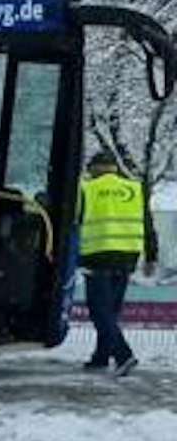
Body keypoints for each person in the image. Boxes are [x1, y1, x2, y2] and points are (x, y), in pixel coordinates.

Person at [77, 148, 159, 375]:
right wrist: (151, 255)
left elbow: (74, 221)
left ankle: (124, 355)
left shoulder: (87, 189)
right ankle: (101, 356)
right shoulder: (134, 188)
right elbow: (148, 225)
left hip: (97, 257)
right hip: (126, 258)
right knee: (110, 311)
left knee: (100, 312)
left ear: (94, 168)